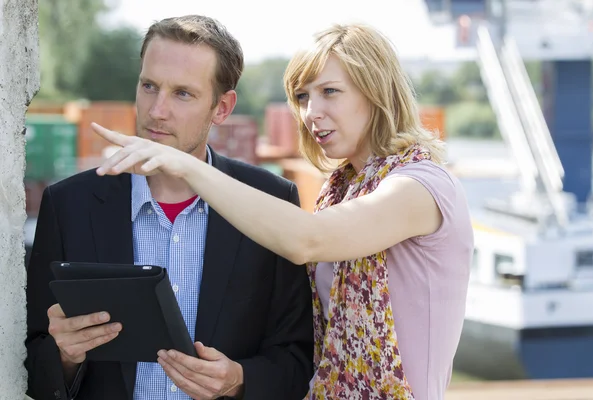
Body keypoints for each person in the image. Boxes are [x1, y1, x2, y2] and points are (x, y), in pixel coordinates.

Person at [90, 23, 474, 400]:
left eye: (330, 92)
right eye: (303, 97)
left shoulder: (423, 186)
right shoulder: (339, 192)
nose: (311, 112)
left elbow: (308, 238)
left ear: (377, 93)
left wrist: (186, 166)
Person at [25, 15, 314, 400]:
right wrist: (65, 355)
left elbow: (297, 359)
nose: (157, 110)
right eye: (149, 86)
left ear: (222, 108)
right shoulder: (68, 204)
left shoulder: (272, 200)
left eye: (182, 93)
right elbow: (33, 357)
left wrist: (239, 378)